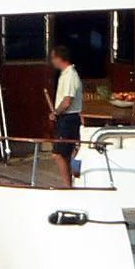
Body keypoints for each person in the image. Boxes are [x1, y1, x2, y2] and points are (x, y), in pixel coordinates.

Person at [49, 43, 85, 189]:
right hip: (66, 119)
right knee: (66, 153)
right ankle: (69, 184)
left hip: (68, 119)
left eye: (53, 58)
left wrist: (56, 112)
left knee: (59, 154)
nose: (52, 61)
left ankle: (67, 186)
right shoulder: (65, 75)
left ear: (59, 58)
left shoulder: (70, 75)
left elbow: (67, 100)